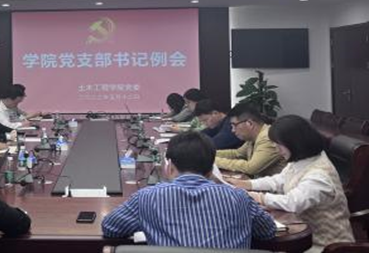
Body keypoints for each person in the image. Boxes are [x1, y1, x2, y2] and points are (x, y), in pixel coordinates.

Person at [101, 131, 276, 248]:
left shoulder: (147, 197)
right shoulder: (239, 197)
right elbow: (268, 231)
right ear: (211, 170)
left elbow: (111, 228)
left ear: (169, 167)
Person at [229, 115, 354, 252]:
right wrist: (247, 184)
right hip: (303, 233)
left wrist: (259, 197)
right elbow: (279, 180)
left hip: (323, 244)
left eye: (278, 144)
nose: (276, 149)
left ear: (295, 143)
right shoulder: (301, 159)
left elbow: (293, 203)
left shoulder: (319, 175)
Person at [215, 106, 285, 177]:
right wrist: (210, 154)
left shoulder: (268, 137)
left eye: (235, 125)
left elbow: (251, 168)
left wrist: (215, 161)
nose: (233, 130)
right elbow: (237, 154)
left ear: (249, 123)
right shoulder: (253, 137)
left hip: (277, 184)